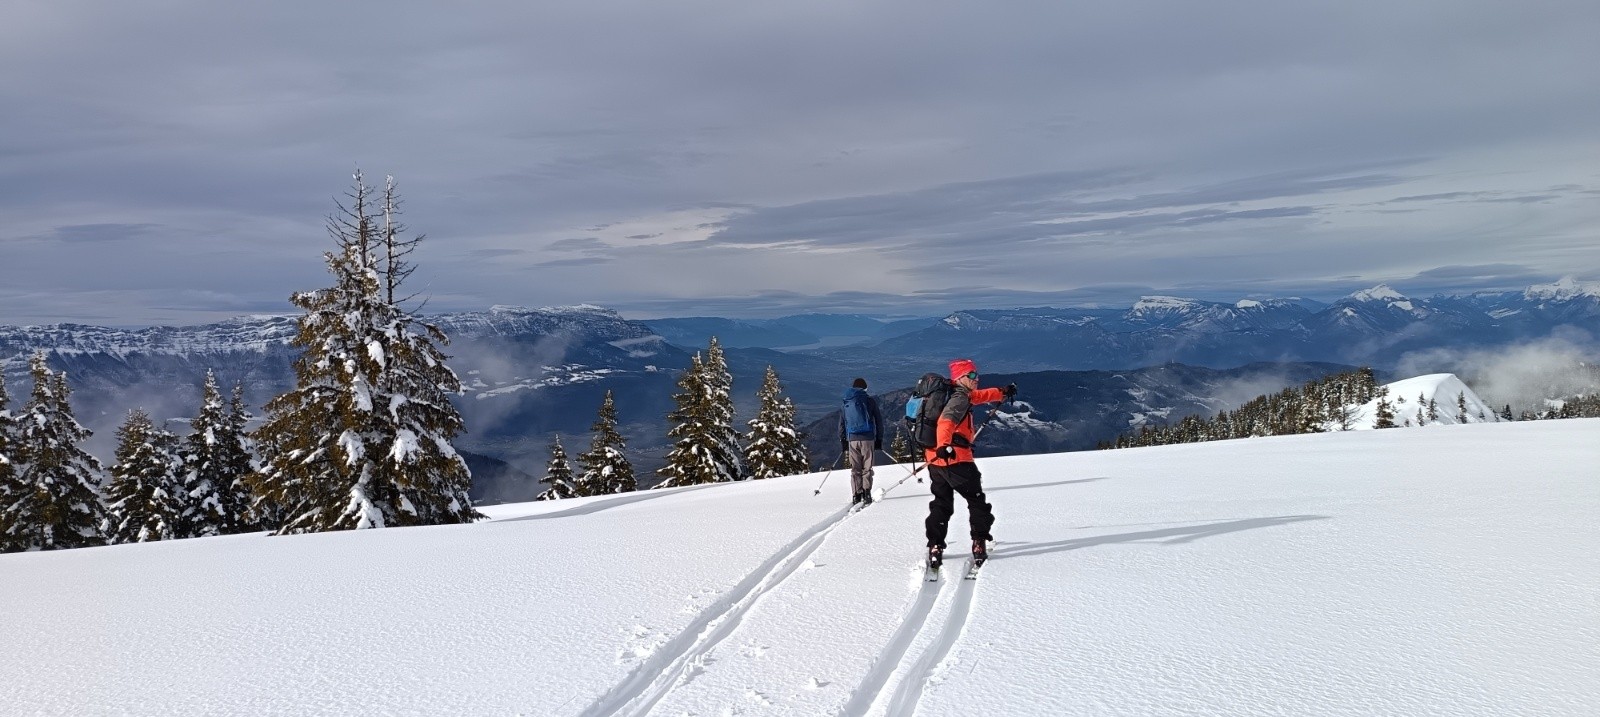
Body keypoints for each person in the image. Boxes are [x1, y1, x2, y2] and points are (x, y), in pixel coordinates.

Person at [924, 359, 1016, 570]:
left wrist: (1001, 392)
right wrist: (944, 445)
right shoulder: (958, 398)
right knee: (977, 502)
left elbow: (979, 396)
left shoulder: (958, 394)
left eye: (976, 374)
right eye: (972, 376)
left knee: (941, 503)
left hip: (935, 462)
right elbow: (946, 422)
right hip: (955, 458)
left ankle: (935, 545)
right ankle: (979, 542)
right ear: (960, 378)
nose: (976, 379)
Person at [839, 377, 884, 506]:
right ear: (865, 388)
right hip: (868, 438)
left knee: (855, 468)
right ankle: (867, 492)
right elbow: (878, 421)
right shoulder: (870, 401)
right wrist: (879, 439)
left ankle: (856, 494)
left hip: (852, 439)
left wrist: (843, 440)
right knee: (867, 467)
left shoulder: (846, 402)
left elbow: (842, 423)